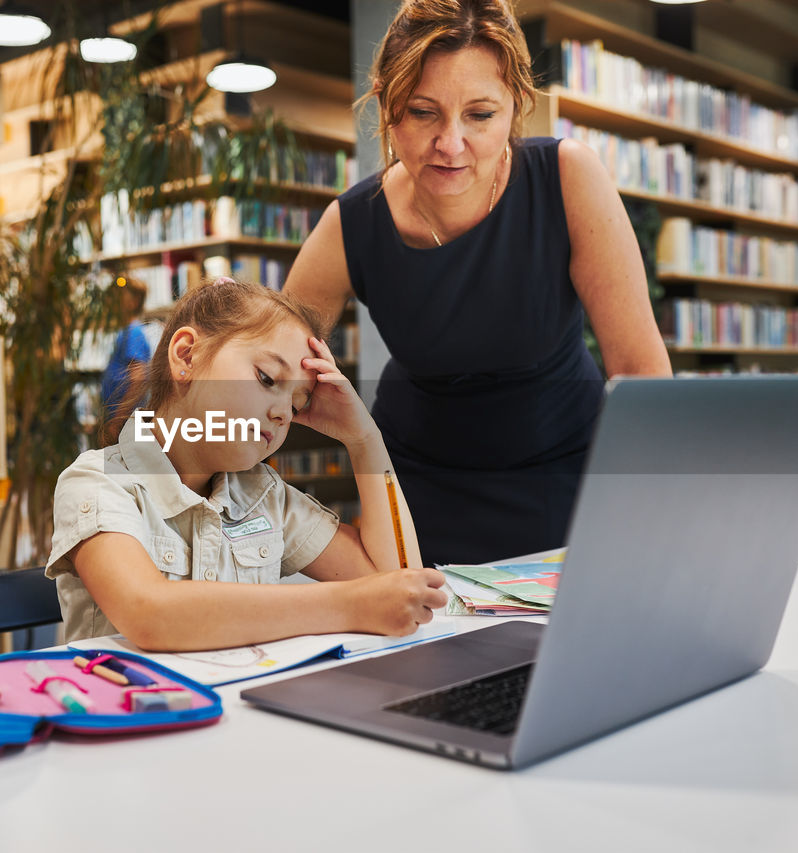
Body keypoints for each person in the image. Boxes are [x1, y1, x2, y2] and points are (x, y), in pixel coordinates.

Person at [283, 0, 671, 565]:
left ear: (516, 107)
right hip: (418, 494)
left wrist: (653, 513)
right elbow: (264, 367)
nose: (451, 143)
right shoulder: (352, 222)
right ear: (388, 109)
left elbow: (641, 372)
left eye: (480, 115)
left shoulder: (568, 178)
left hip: (568, 479)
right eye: (422, 112)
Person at [46, 278, 449, 650]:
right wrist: (346, 604)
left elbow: (402, 589)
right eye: (267, 378)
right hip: (136, 722)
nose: (284, 415)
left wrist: (364, 439)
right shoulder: (99, 483)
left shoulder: (264, 496)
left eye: (299, 404)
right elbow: (149, 612)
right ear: (186, 355)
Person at [100, 276, 152, 420]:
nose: (111, 302)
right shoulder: (126, 331)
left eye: (117, 297)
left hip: (126, 420)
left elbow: (139, 378)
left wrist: (120, 417)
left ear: (133, 303)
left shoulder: (134, 332)